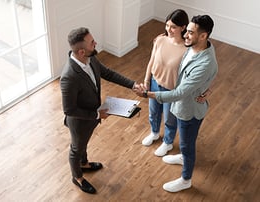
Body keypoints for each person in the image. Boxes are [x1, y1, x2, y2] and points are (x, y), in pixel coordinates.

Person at [134, 15, 218, 192]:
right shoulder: (196, 47)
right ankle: (181, 156)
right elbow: (212, 73)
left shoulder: (205, 62)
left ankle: (186, 179)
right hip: (182, 104)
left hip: (189, 110)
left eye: (190, 32)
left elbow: (180, 92)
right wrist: (208, 88)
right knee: (184, 142)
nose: (185, 35)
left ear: (203, 36)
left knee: (187, 145)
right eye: (186, 31)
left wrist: (147, 94)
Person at [60, 27, 138, 194]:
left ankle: (84, 163)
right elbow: (69, 109)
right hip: (80, 121)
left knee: (83, 144)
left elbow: (108, 73)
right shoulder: (69, 76)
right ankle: (78, 177)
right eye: (92, 43)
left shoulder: (91, 58)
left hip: (92, 115)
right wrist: (97, 114)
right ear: (81, 52)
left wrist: (133, 85)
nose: (95, 44)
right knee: (76, 148)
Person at [141, 9, 189, 157]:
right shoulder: (160, 40)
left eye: (173, 26)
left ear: (183, 27)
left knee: (169, 118)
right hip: (155, 83)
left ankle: (167, 142)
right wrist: (147, 80)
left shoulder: (187, 50)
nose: (169, 29)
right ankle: (154, 133)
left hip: (171, 90)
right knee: (153, 112)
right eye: (167, 25)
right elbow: (151, 61)